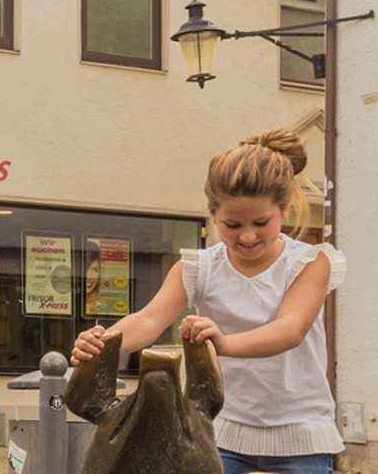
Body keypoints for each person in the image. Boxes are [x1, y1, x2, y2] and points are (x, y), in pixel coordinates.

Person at [73, 130, 345, 474]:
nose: (247, 236)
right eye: (232, 225)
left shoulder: (308, 263)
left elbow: (290, 329)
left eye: (261, 223)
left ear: (285, 208)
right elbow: (149, 320)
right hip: (221, 431)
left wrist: (223, 345)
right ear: (212, 213)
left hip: (300, 433)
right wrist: (104, 344)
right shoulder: (198, 267)